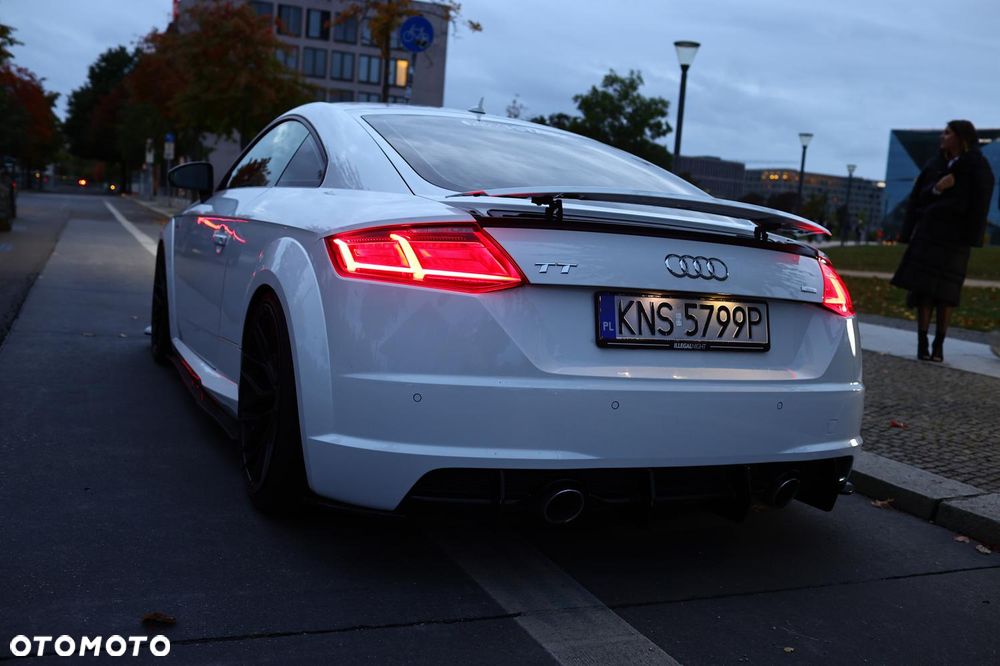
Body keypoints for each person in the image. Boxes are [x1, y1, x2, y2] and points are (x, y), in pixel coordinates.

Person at [891, 120, 995, 362]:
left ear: (961, 137)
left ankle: (938, 346)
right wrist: (938, 188)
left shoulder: (976, 165)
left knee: (947, 294)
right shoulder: (935, 164)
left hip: (955, 240)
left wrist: (972, 232)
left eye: (947, 133)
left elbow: (981, 200)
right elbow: (919, 196)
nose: (942, 137)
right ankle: (922, 344)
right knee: (924, 291)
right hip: (929, 235)